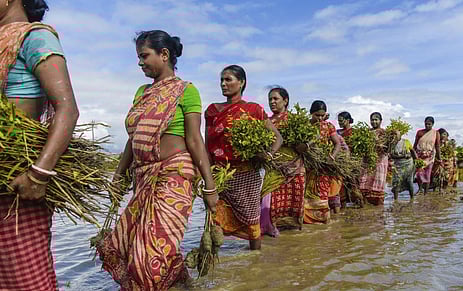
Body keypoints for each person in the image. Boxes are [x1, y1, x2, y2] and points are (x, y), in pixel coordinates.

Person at [97, 30, 218, 290]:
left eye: (144, 56)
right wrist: (118, 177)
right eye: (138, 57)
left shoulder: (187, 91)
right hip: (143, 177)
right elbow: (133, 139)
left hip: (175, 175)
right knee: (121, 245)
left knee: (148, 254)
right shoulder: (142, 92)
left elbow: (195, 140)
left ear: (164, 55)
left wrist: (210, 185)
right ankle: (180, 283)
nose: (140, 62)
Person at [0, 1, 79, 289]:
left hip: (16, 182)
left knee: (24, 281)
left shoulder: (35, 36)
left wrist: (38, 175)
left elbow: (67, 109)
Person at [205, 65, 282, 250]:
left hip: (248, 175)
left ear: (241, 83)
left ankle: (255, 264)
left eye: (228, 79)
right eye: (221, 80)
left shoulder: (254, 110)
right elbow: (207, 145)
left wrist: (267, 154)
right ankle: (215, 272)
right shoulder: (212, 111)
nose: (223, 84)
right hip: (221, 175)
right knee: (214, 222)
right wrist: (207, 177)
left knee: (252, 223)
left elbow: (278, 138)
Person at [260, 87, 305, 237]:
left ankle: (290, 245)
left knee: (292, 204)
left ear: (285, 101)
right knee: (267, 201)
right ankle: (268, 232)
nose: (272, 102)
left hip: (294, 168)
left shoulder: (295, 120)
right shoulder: (267, 121)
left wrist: (304, 146)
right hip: (273, 168)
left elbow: (310, 140)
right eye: (270, 99)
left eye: (275, 99)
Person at [304, 100, 341, 224]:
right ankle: (308, 221)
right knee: (307, 194)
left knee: (322, 192)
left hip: (323, 166)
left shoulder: (329, 126)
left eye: (322, 115)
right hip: (308, 166)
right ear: (311, 113)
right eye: (317, 115)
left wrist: (332, 156)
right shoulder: (305, 126)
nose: (320, 118)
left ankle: (323, 221)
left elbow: (337, 143)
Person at [359, 112, 389, 205]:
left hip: (380, 160)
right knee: (364, 180)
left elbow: (386, 148)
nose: (374, 121)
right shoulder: (367, 132)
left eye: (376, 119)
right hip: (367, 160)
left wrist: (378, 143)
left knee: (377, 180)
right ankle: (365, 204)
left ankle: (378, 205)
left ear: (380, 121)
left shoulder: (385, 133)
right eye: (372, 120)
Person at [414, 116, 441, 195]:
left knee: (427, 174)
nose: (427, 126)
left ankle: (425, 192)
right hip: (419, 156)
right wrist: (413, 154)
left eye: (429, 124)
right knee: (419, 174)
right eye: (426, 124)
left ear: (433, 124)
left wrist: (439, 158)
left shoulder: (436, 133)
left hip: (430, 157)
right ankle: (420, 189)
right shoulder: (420, 132)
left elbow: (437, 146)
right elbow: (415, 144)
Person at [390, 131, 417, 200]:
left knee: (409, 181)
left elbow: (412, 151)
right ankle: (395, 200)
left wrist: (417, 160)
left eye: (396, 134)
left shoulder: (406, 142)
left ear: (400, 134)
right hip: (398, 165)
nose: (394, 136)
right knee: (396, 182)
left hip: (408, 164)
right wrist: (403, 156)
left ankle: (412, 199)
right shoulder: (391, 144)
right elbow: (391, 155)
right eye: (393, 134)